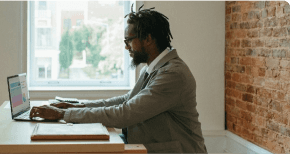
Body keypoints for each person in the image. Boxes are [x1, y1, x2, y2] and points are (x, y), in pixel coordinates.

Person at [30, 5, 207, 154]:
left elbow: (126, 112)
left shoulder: (173, 75)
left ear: (148, 39)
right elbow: (125, 100)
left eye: (128, 40)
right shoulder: (153, 68)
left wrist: (63, 115)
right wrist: (77, 106)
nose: (126, 47)